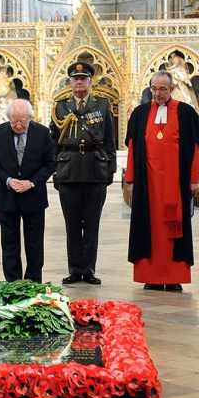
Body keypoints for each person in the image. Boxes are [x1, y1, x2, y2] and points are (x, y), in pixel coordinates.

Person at [124, 70, 199, 292]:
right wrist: (130, 179)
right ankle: (151, 277)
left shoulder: (186, 113)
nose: (157, 93)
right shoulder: (140, 114)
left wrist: (194, 178)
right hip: (147, 186)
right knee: (147, 231)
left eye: (162, 89)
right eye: (154, 88)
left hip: (175, 186)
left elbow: (195, 148)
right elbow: (132, 148)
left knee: (173, 232)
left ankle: (174, 276)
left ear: (172, 89)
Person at [50, 60, 116, 286]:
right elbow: (53, 142)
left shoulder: (102, 105)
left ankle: (88, 270)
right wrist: (56, 171)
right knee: (72, 225)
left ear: (90, 81)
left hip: (95, 170)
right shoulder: (60, 107)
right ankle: (74, 269)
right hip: (68, 170)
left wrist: (110, 171)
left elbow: (109, 140)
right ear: (70, 82)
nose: (79, 83)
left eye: (83, 79)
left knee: (92, 224)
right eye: (75, 79)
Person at [0, 98, 55, 283]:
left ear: (29, 118)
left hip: (33, 197)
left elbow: (50, 164)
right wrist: (8, 180)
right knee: (9, 243)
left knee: (34, 243)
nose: (18, 125)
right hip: (7, 197)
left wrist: (32, 182)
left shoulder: (42, 133)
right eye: (14, 121)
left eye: (22, 121)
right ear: (8, 118)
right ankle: (13, 282)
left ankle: (33, 281)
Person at [166, 50, 199, 116]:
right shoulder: (172, 71)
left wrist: (171, 69)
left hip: (182, 88)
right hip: (176, 90)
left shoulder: (177, 62)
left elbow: (177, 68)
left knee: (186, 101)